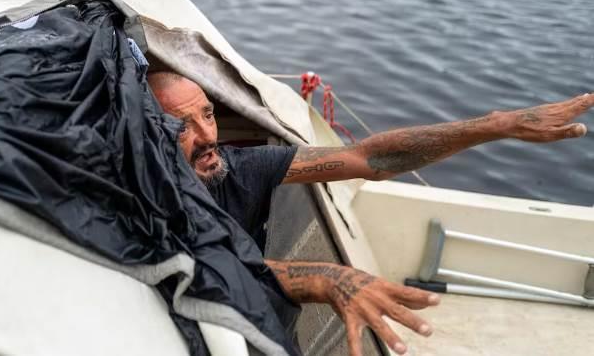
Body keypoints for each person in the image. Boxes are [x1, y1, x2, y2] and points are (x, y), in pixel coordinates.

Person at [147, 71, 593, 356]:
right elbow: (194, 260)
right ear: (148, 133)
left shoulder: (241, 168)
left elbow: (370, 161)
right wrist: (324, 278)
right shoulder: (137, 195)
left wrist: (495, 126)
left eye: (209, 113)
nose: (207, 134)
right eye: (183, 126)